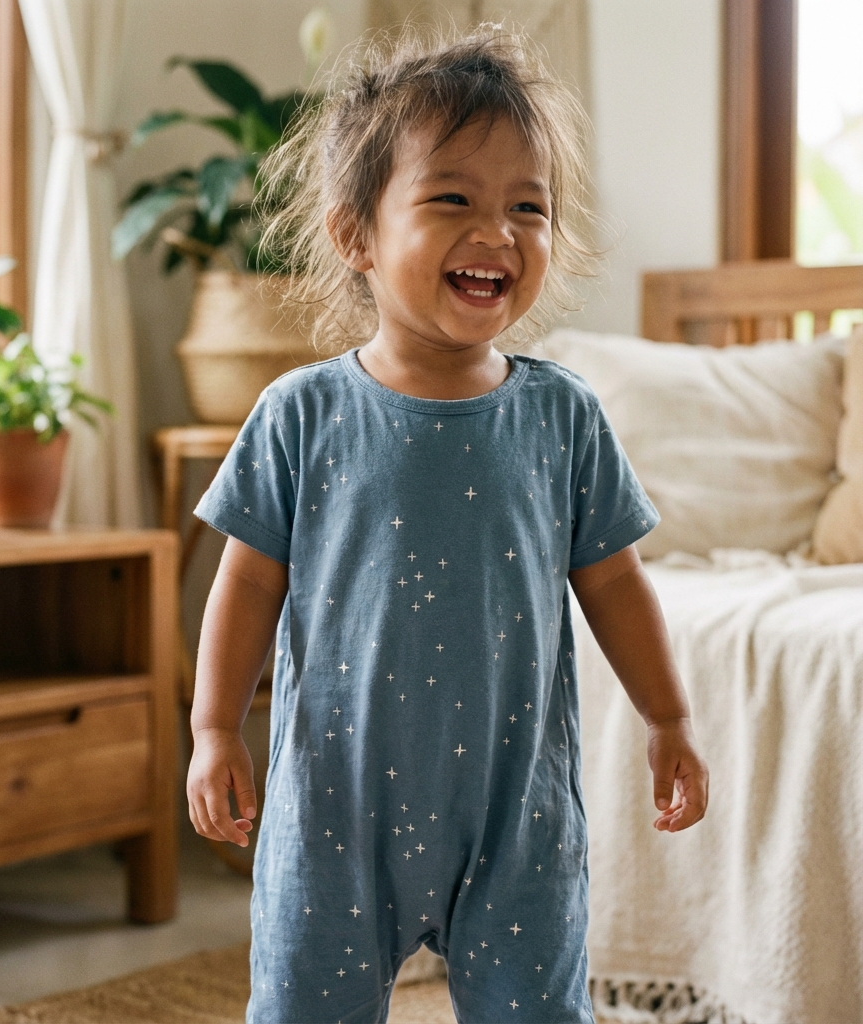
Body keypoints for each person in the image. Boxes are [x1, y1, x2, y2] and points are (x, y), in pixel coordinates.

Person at [186, 25, 709, 1024]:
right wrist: (214, 726)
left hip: (516, 813)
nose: (498, 231)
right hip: (334, 806)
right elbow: (246, 582)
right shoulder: (301, 413)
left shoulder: (561, 416)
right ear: (356, 235)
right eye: (453, 200)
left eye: (529, 206)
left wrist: (669, 717)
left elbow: (613, 582)